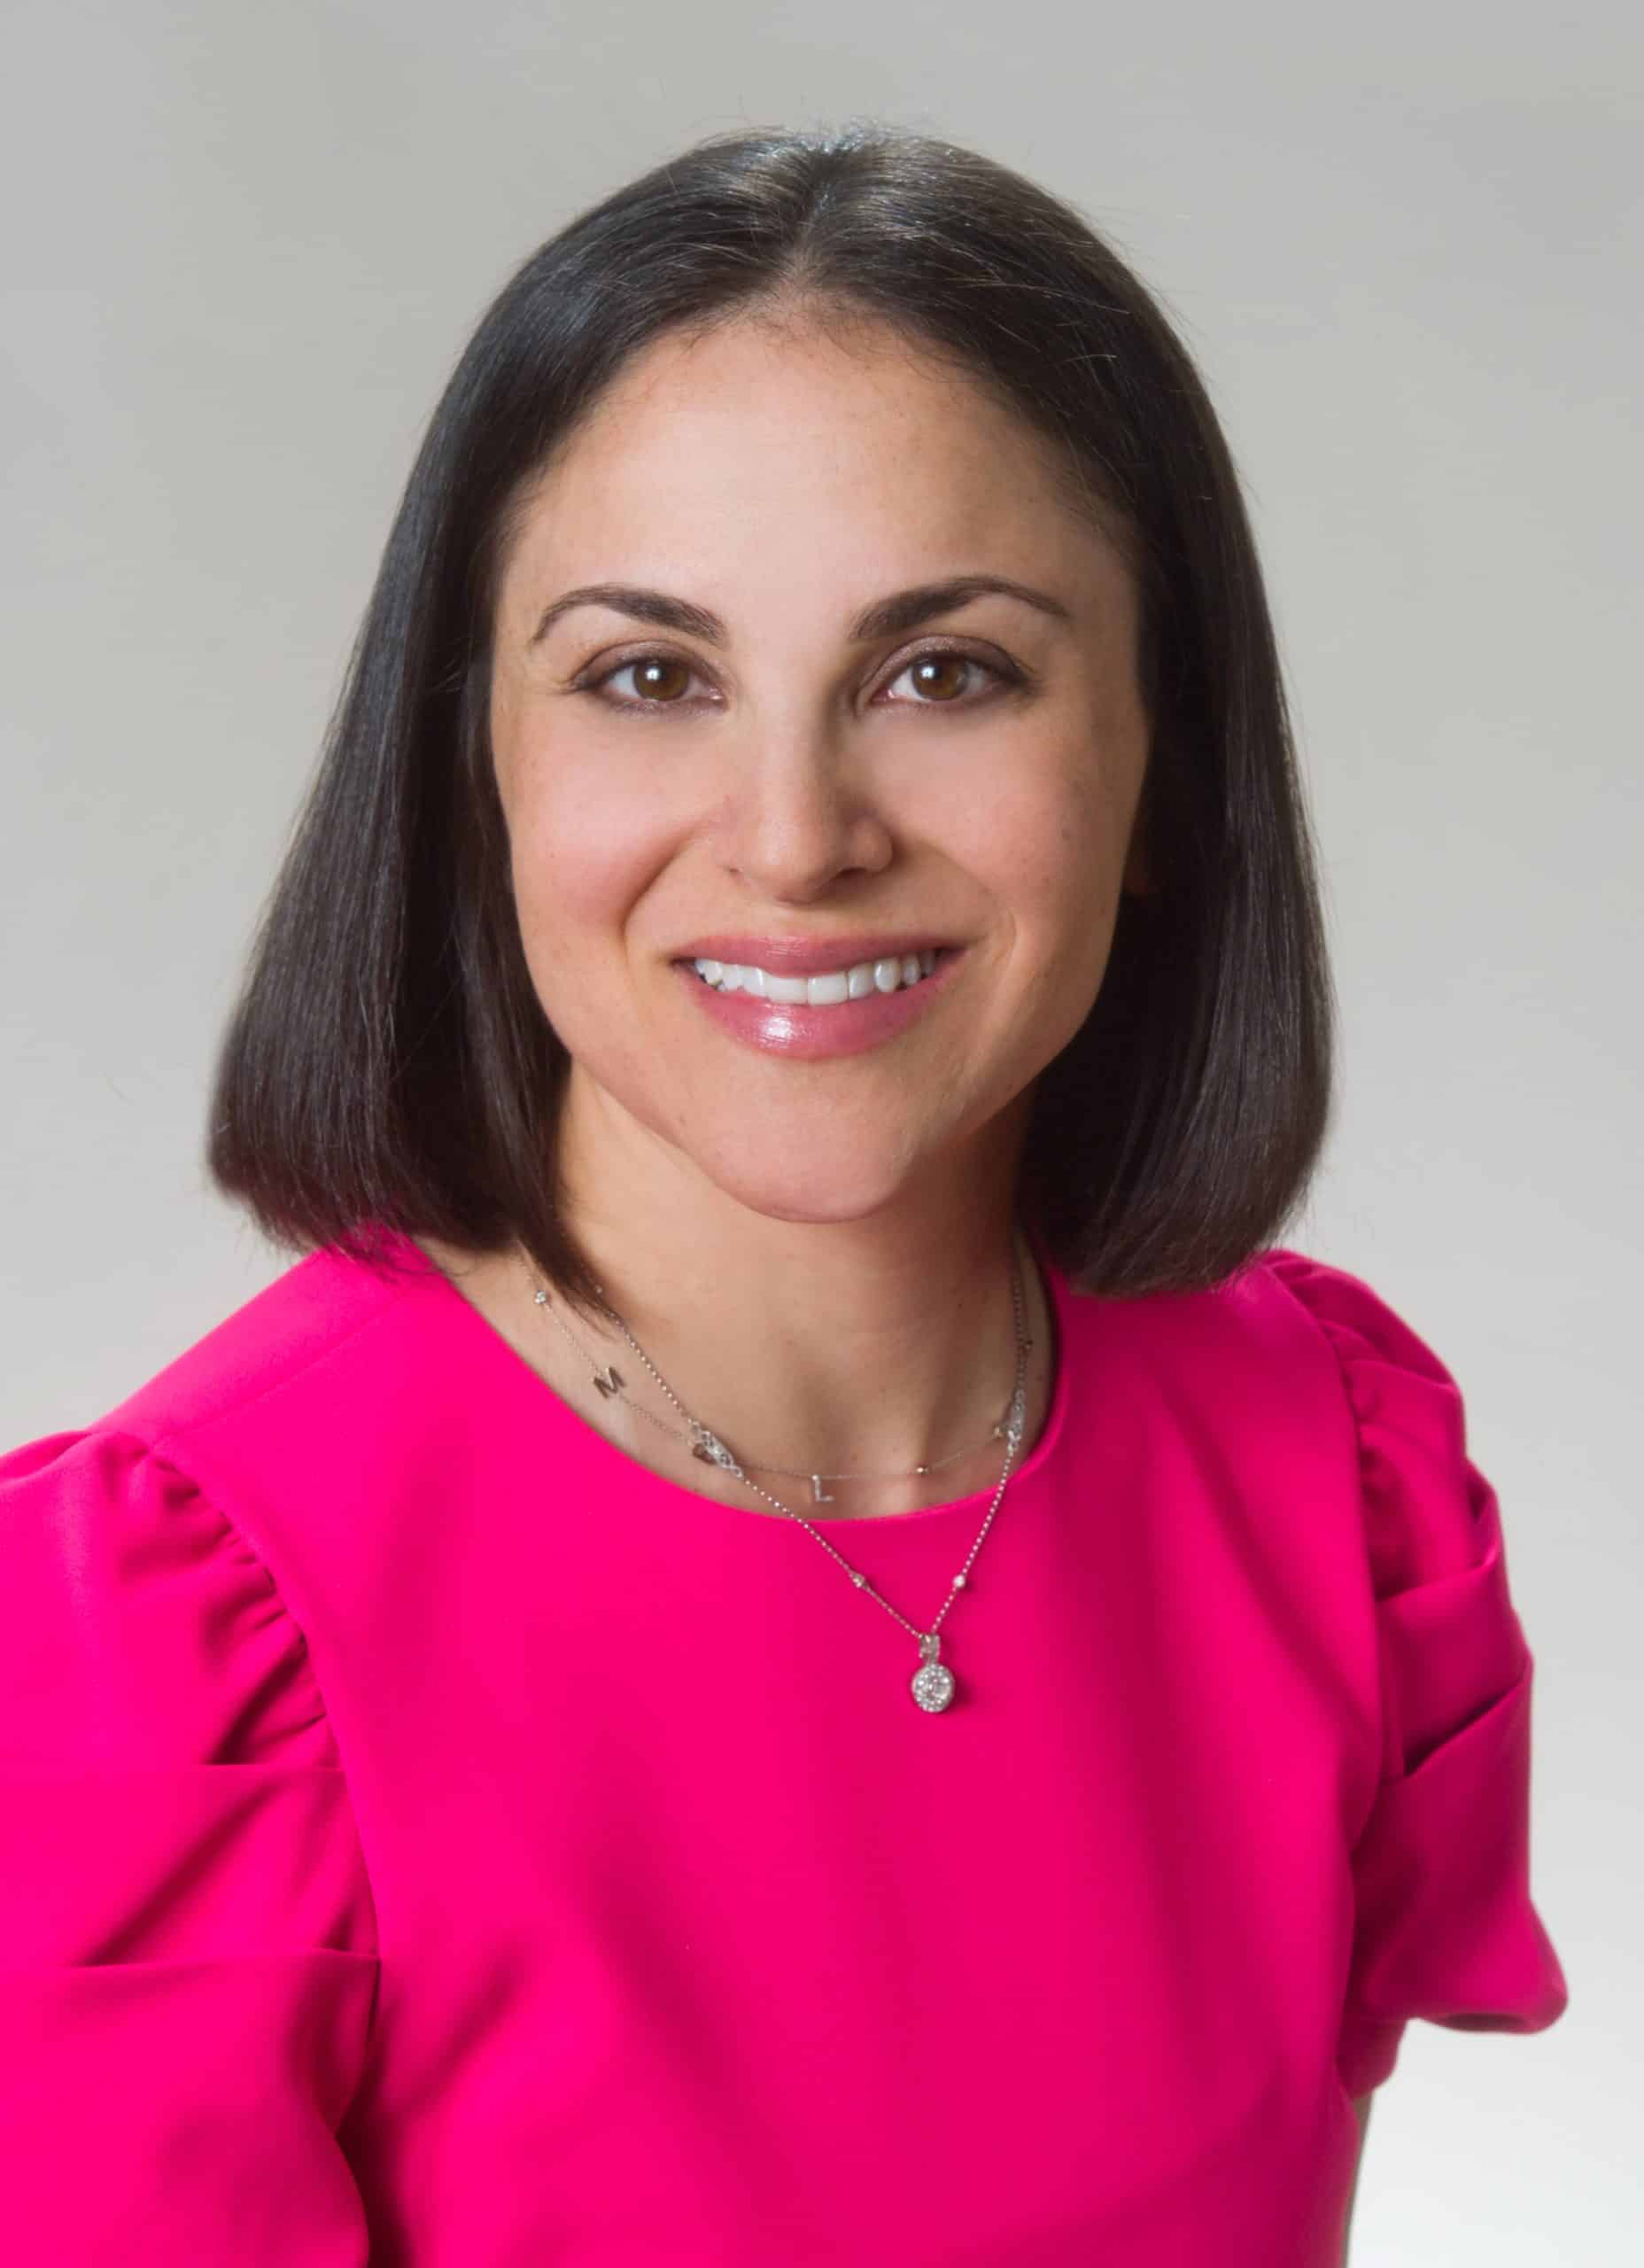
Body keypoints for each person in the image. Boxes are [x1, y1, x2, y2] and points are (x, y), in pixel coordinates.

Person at [0, 120, 1569, 2265]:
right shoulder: (171, 1658)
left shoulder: (1338, 1480)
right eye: (649, 674)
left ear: (1159, 767)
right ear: (481, 774)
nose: (795, 830)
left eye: (947, 671)